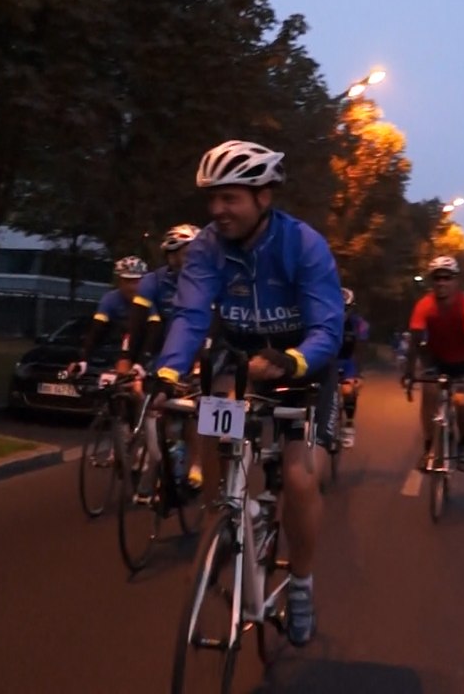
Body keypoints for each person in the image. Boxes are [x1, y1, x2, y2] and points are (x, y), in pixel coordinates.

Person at [151, 140, 343, 647]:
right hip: (238, 366)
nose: (217, 210)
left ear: (264, 196)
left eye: (229, 197)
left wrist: (292, 360)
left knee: (300, 481)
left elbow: (328, 327)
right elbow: (191, 314)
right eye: (212, 198)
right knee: (213, 422)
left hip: (301, 368)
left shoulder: (303, 245)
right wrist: (167, 373)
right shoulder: (208, 247)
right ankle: (228, 515)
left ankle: (300, 584)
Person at [121, 224, 204, 500]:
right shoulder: (153, 282)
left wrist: (202, 361)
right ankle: (157, 460)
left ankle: (197, 463)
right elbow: (138, 322)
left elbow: (214, 325)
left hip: (202, 352)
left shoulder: (208, 280)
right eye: (188, 253)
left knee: (199, 406)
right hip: (165, 353)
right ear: (172, 255)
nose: (194, 258)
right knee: (155, 405)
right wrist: (131, 360)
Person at [405, 256, 464, 472]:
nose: (441, 283)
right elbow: (414, 340)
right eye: (437, 278)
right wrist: (409, 372)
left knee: (462, 400)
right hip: (435, 359)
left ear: (455, 281)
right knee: (429, 393)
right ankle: (428, 447)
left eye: (447, 278)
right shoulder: (424, 305)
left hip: (462, 360)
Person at [65, 255, 148, 378]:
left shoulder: (149, 298)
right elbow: (96, 329)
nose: (132, 287)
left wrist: (139, 361)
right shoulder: (110, 299)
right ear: (119, 281)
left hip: (147, 344)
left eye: (136, 282)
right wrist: (83, 359)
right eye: (127, 281)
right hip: (119, 344)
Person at [337, 287, 369, 448]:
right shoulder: (324, 318)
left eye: (346, 309)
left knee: (348, 390)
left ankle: (349, 424)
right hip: (328, 360)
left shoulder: (359, 324)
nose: (343, 313)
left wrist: (358, 374)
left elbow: (360, 351)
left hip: (348, 359)